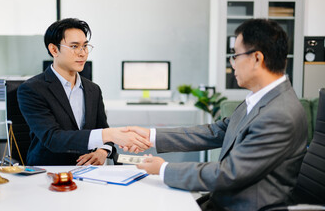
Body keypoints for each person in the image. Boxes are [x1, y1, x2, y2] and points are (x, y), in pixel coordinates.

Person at [128, 19, 308, 210]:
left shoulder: (279, 114)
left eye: (235, 56)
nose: (232, 64)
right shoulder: (260, 99)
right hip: (222, 200)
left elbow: (229, 173)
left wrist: (163, 169)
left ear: (257, 58)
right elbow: (215, 132)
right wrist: (151, 136)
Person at [18, 18, 150, 166]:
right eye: (74, 46)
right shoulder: (32, 89)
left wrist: (102, 151)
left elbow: (103, 129)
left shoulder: (93, 89)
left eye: (85, 46)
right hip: (49, 170)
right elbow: (53, 138)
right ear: (54, 50)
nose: (83, 53)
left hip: (89, 171)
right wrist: (108, 134)